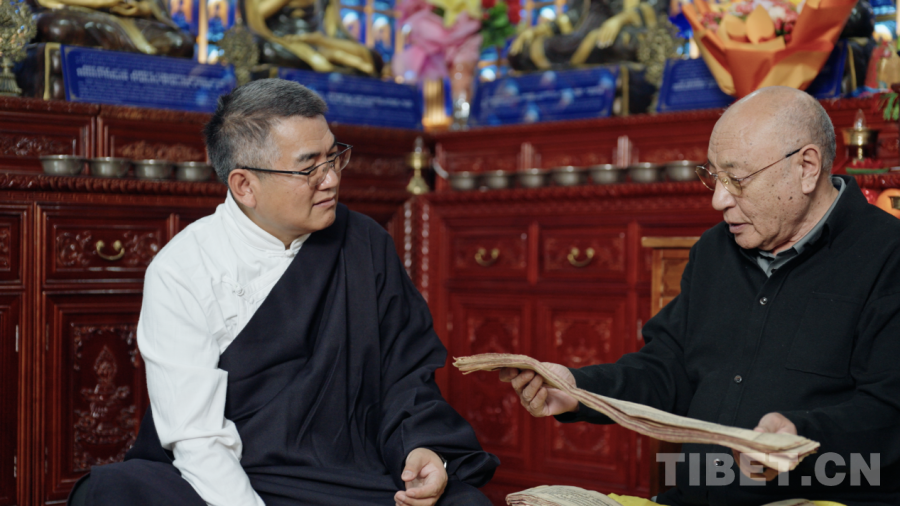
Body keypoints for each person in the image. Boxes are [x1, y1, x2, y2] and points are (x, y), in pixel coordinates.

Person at [68, 78, 499, 506]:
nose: (331, 179)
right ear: (244, 186)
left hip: (351, 477)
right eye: (309, 168)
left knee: (465, 504)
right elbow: (196, 437)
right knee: (116, 492)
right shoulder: (182, 269)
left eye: (334, 157)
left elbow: (405, 376)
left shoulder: (365, 244)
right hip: (235, 477)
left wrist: (420, 448)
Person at [499, 86, 900, 505]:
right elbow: (667, 370)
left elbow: (889, 413)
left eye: (736, 180)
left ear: (806, 167)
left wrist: (799, 437)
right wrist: (578, 389)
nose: (718, 200)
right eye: (713, 176)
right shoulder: (715, 250)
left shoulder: (887, 256)